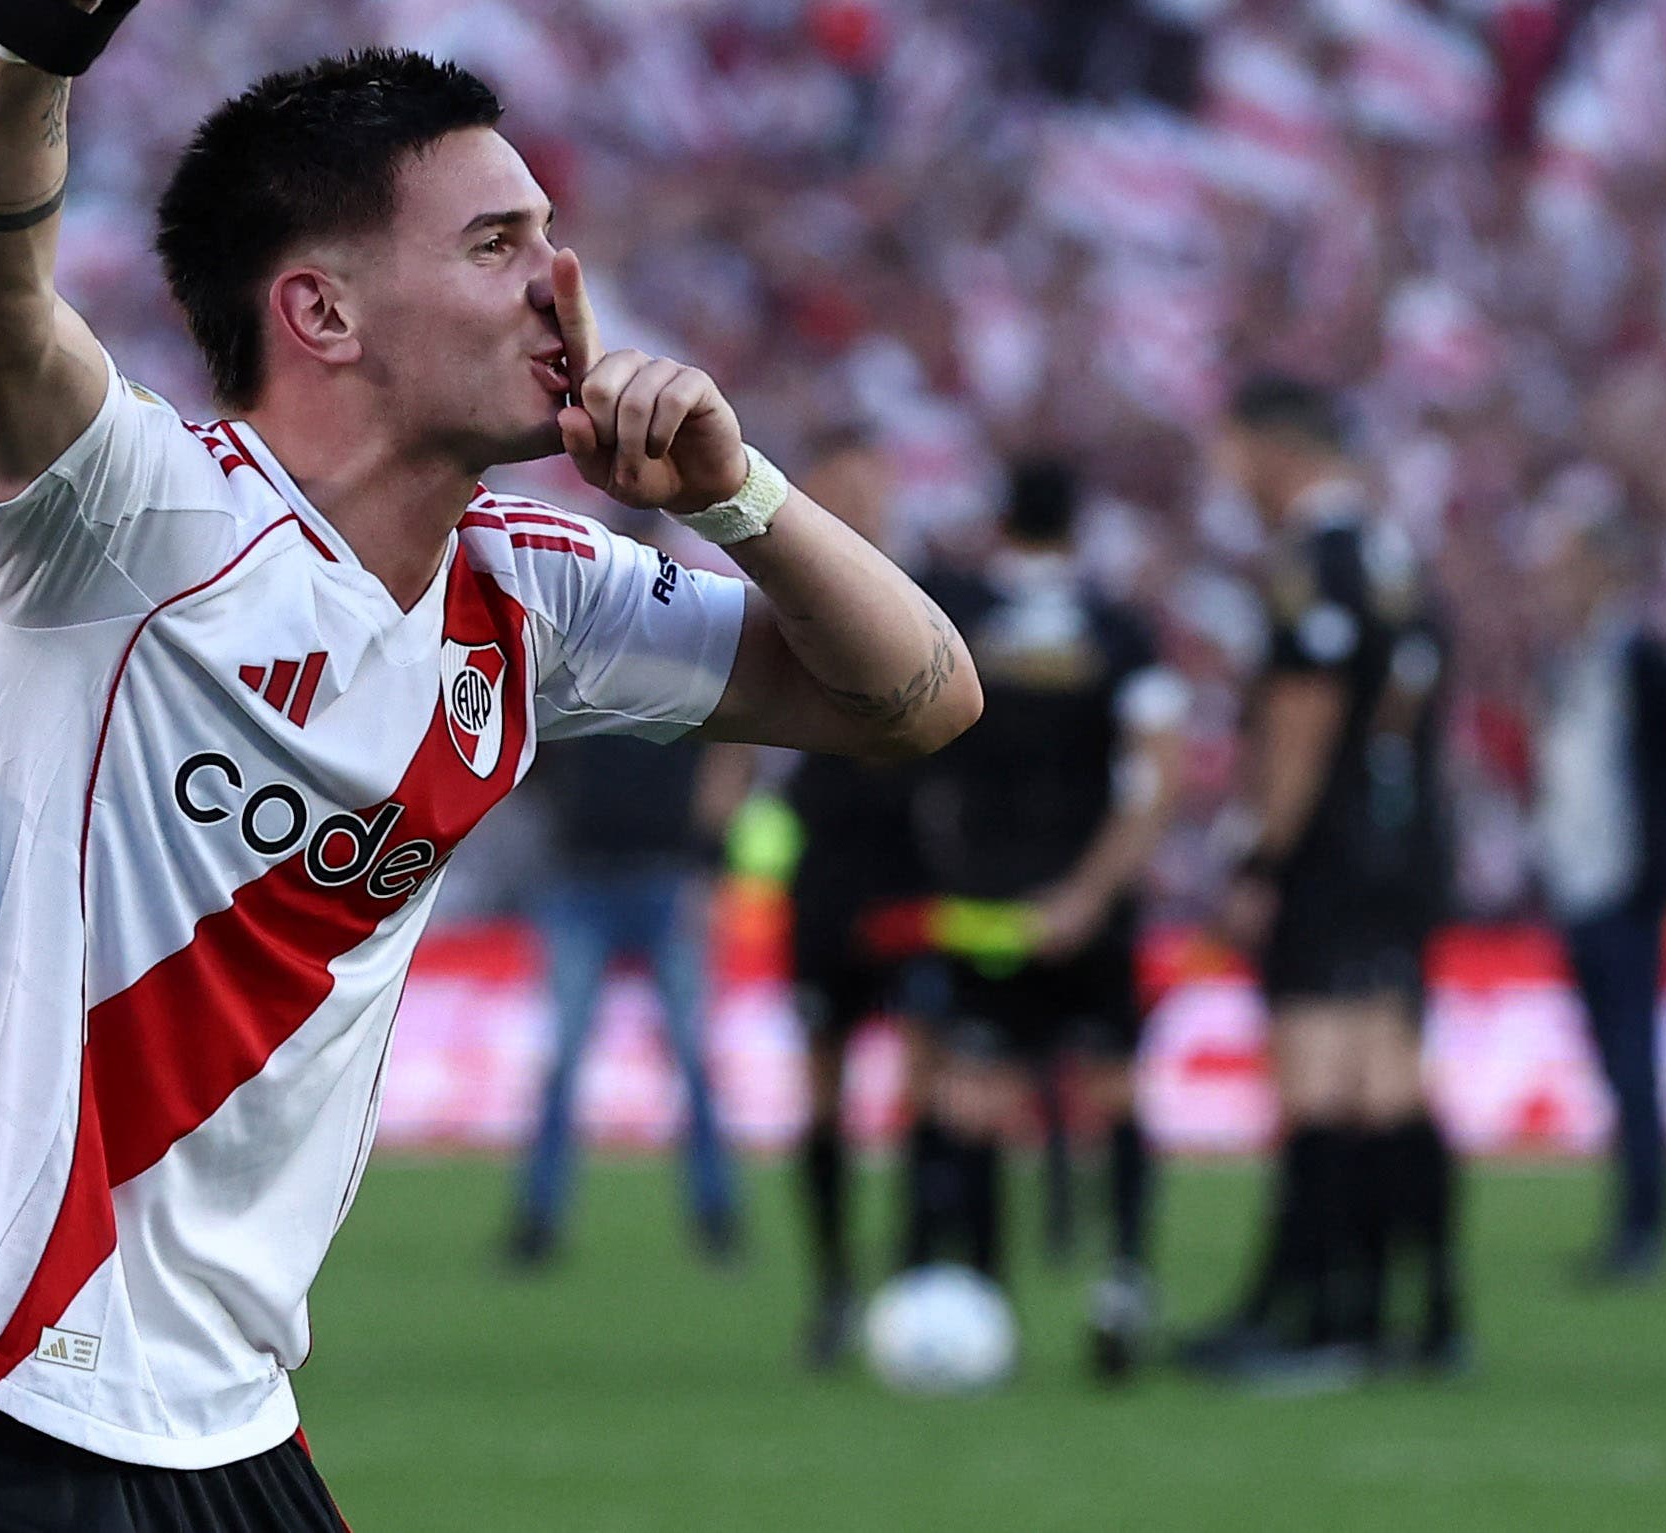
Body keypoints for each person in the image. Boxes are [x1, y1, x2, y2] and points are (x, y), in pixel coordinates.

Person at [0, 0, 982, 1533]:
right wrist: (29, 32)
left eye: (552, 240)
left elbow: (916, 698)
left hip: (229, 1428)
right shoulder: (130, 514)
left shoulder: (530, 597)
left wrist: (738, 492)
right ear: (319, 311)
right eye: (495, 246)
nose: (555, 287)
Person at [1184, 377, 1464, 1382]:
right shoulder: (1392, 557)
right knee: (1387, 1078)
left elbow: (1302, 728)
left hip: (1332, 854)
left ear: (1276, 448)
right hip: (1404, 843)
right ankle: (1425, 1313)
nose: (1229, 478)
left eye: (1233, 454)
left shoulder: (1313, 566)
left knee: (1320, 1080)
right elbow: (1400, 712)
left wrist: (1260, 855)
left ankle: (1319, 1313)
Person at [898, 460, 1186, 1381]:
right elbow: (1154, 774)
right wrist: (1093, 894)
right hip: (1087, 905)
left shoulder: (956, 615)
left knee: (977, 1102)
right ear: (1077, 525)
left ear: (1001, 521)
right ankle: (1123, 1278)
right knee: (1111, 1093)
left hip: (984, 904)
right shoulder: (1120, 629)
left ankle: (982, 1301)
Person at [1532, 507, 1666, 1285]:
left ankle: (1642, 1224)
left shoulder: (1643, 658)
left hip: (1626, 887)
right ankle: (1631, 1218)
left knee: (1631, 1058)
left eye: (1569, 562)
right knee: (1613, 1062)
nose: (1556, 579)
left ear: (1604, 569)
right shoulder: (1569, 659)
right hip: (1578, 882)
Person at [776, 426, 933, 1368]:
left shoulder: (923, 604)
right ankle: (835, 1283)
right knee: (825, 1090)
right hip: (826, 883)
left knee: (924, 1085)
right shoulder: (783, 605)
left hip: (914, 883)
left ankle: (918, 1271)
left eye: (866, 493)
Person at [506, 724, 749, 1267]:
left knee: (688, 1061)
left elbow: (730, 756)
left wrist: (709, 865)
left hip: (662, 876)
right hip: (586, 877)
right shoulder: (623, 664)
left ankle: (717, 1217)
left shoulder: (664, 665)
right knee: (568, 1064)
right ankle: (537, 1222)